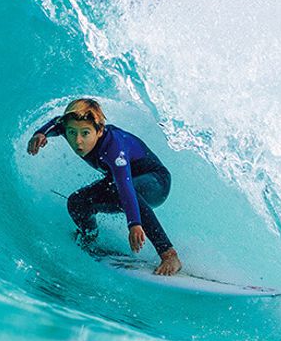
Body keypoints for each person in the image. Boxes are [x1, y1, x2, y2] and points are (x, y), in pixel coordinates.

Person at [27, 98, 182, 276]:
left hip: (156, 183)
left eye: (85, 133)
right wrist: (41, 134)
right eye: (71, 133)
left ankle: (169, 255)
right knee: (77, 202)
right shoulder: (71, 126)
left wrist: (134, 223)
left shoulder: (114, 149)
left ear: (99, 130)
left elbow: (125, 187)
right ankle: (90, 238)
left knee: (119, 190)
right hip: (120, 182)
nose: (77, 141)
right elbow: (57, 122)